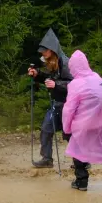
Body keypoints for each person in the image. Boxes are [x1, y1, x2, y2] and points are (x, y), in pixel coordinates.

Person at [61, 50, 102, 191]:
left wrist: (66, 127)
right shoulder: (99, 79)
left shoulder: (76, 84)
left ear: (74, 67)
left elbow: (69, 109)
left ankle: (81, 181)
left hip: (83, 124)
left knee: (77, 150)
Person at [28, 29, 73, 168]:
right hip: (56, 103)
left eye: (44, 51)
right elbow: (50, 79)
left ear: (52, 49)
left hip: (68, 104)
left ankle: (81, 160)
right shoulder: (51, 61)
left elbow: (75, 84)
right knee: (46, 129)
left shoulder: (66, 63)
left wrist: (56, 84)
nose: (42, 53)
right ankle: (47, 159)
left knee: (69, 134)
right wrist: (37, 74)